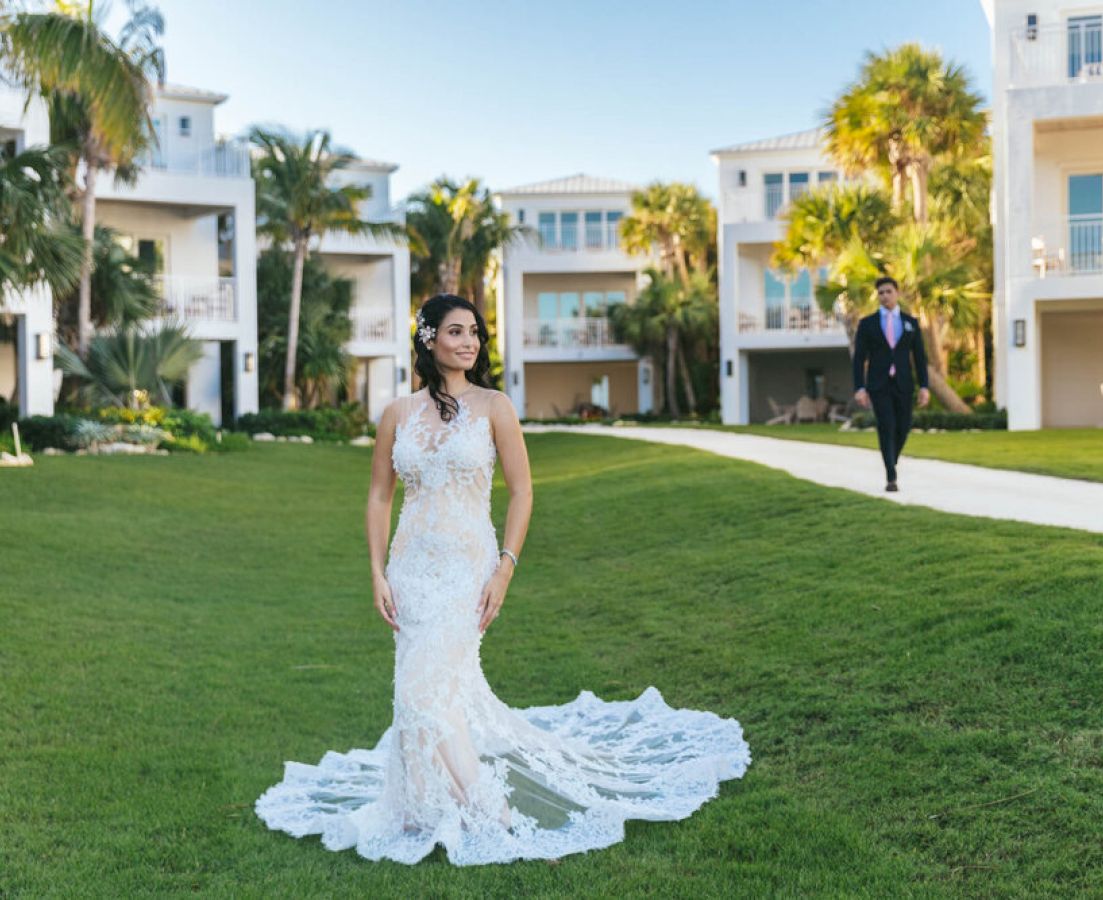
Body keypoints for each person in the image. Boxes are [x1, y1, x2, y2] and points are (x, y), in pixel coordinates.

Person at [255, 294, 749, 866]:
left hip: (470, 566)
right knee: (427, 690)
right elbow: (378, 496)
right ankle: (420, 806)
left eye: (476, 333)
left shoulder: (494, 407)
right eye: (457, 331)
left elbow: (523, 491)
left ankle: (496, 816)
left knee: (423, 690)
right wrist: (375, 571)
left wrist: (505, 567)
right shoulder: (395, 415)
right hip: (411, 568)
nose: (470, 342)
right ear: (429, 339)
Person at [852, 277, 930, 492]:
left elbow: (920, 358)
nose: (884, 296)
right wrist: (860, 387)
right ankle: (891, 476)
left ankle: (891, 459)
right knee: (886, 426)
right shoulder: (867, 324)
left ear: (897, 293)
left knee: (903, 427)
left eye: (888, 291)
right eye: (881, 293)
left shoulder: (910, 323)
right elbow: (859, 358)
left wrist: (924, 386)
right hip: (879, 385)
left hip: (904, 384)